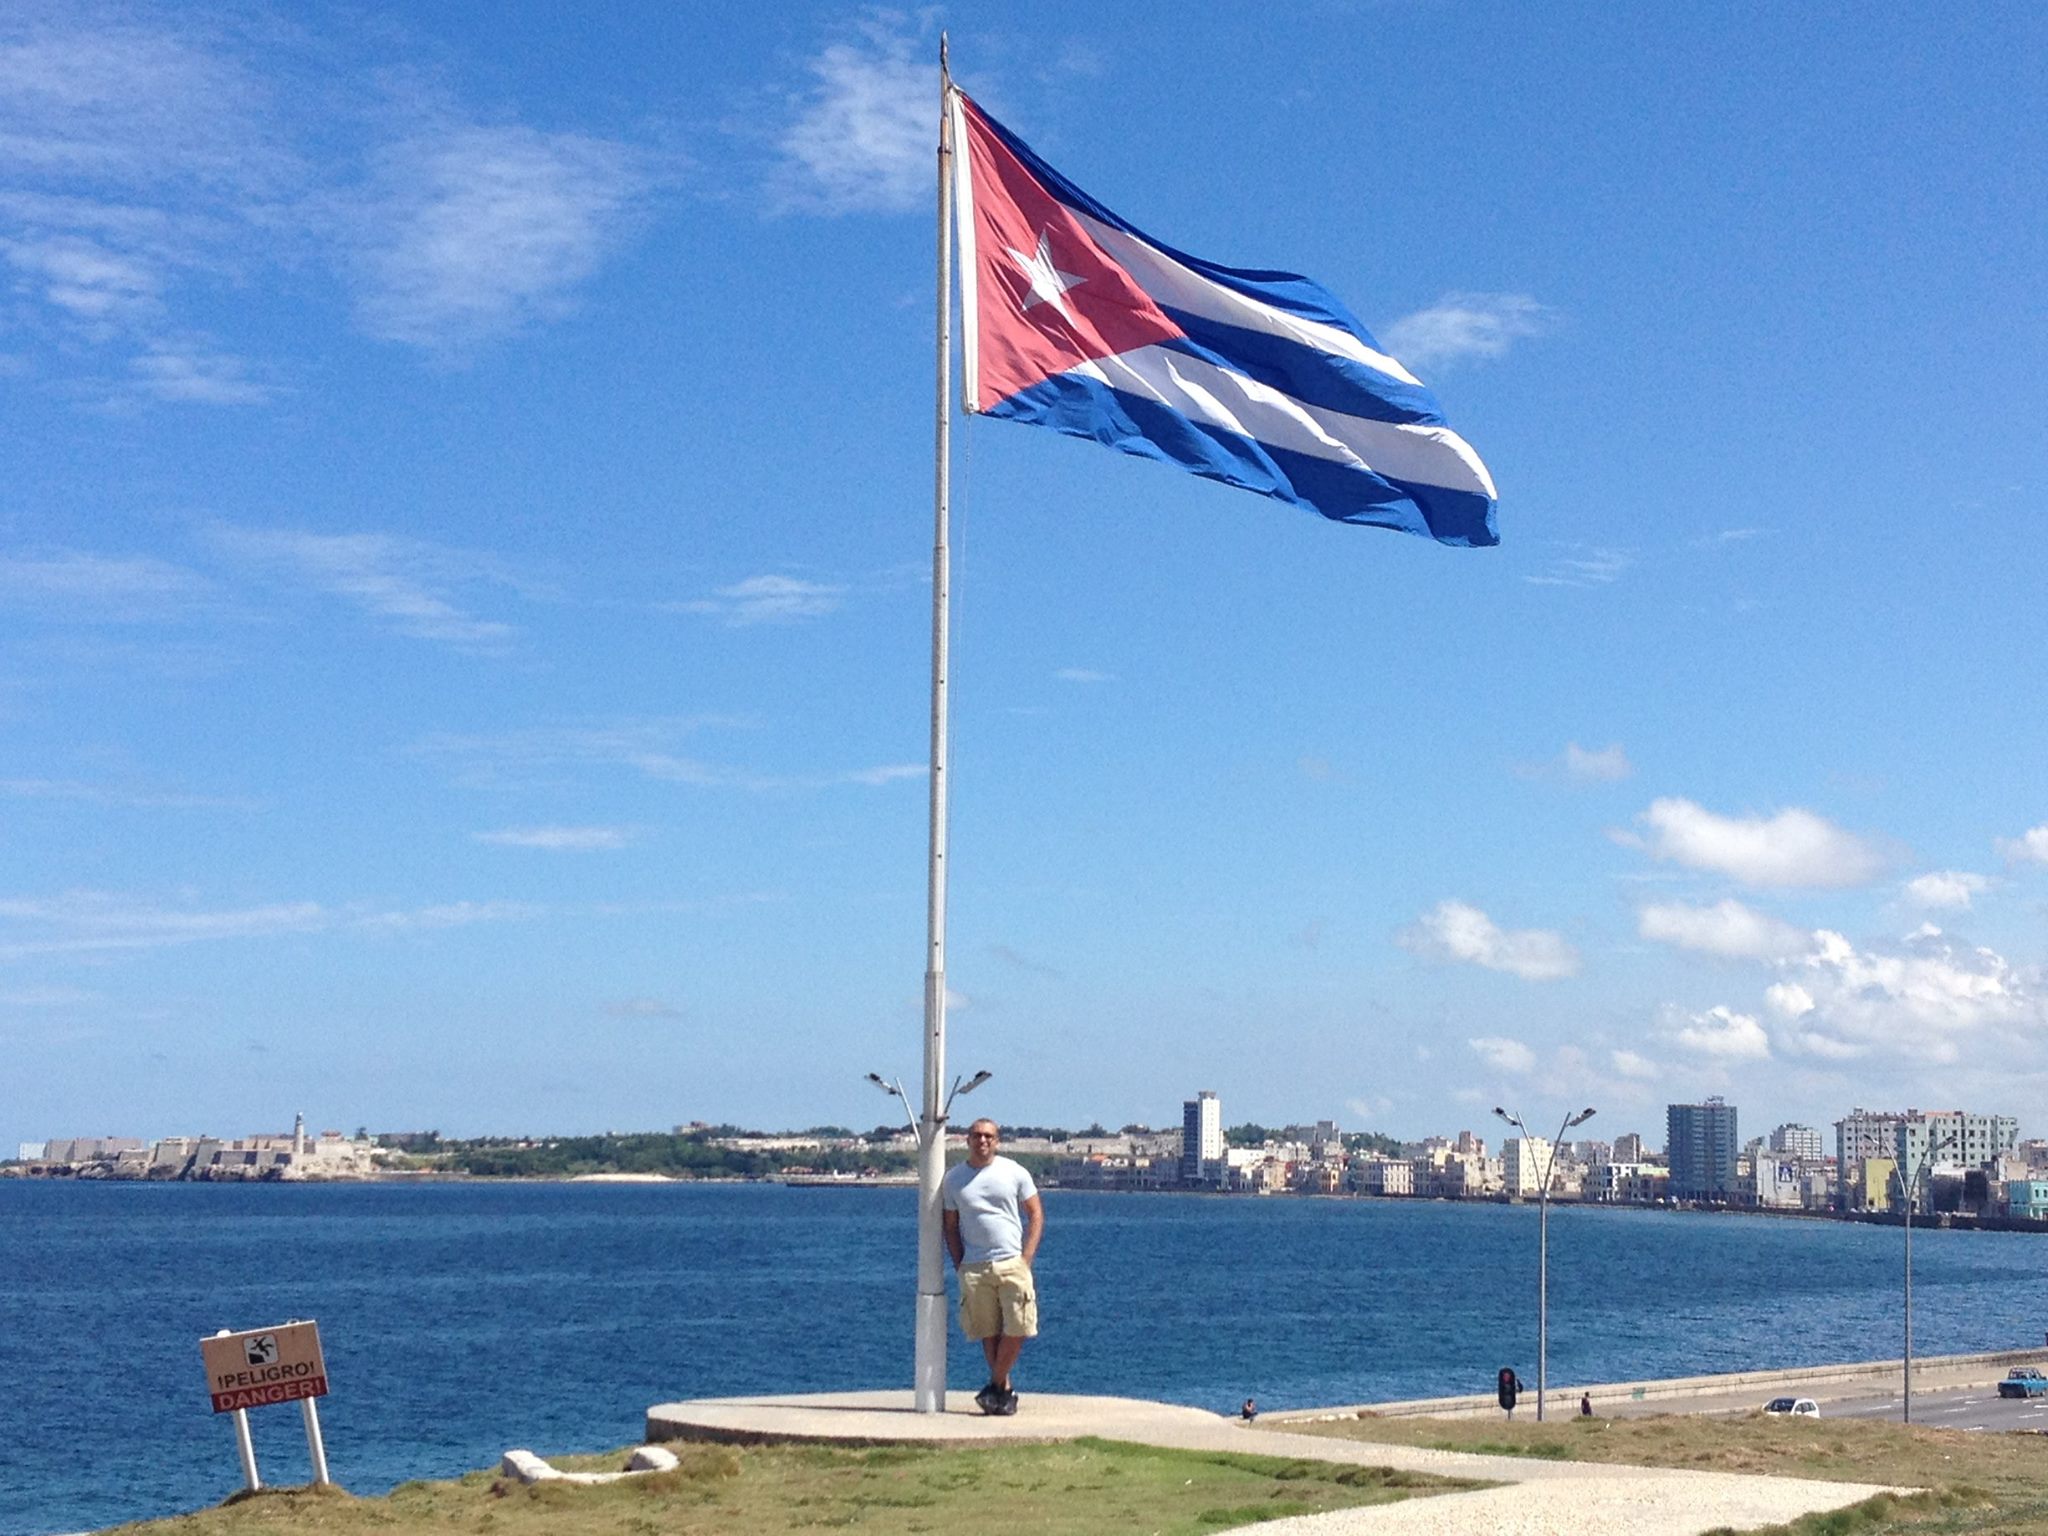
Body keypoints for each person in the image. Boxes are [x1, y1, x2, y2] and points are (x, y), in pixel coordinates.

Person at [942, 1118, 1044, 1416]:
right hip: (975, 1266)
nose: (982, 1141)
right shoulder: (954, 1179)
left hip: (1012, 1262)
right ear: (967, 1140)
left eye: (988, 1136)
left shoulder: (1014, 1172)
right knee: (988, 1331)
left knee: (1018, 1326)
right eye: (976, 1136)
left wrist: (1025, 1259)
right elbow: (950, 1225)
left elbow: (1036, 1215)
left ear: (997, 1141)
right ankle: (1004, 1392)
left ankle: (994, 1385)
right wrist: (960, 1263)